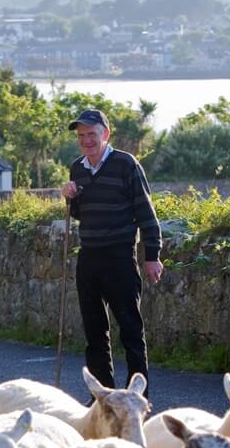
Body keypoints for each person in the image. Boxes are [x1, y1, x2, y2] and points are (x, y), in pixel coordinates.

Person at [59, 108, 163, 395]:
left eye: (91, 134)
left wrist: (152, 256)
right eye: (81, 136)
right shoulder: (77, 168)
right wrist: (70, 198)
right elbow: (82, 212)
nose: (86, 140)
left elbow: (146, 212)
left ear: (105, 134)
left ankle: (137, 396)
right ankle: (103, 397)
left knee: (130, 329)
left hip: (120, 255)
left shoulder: (126, 164)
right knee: (94, 333)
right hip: (89, 256)